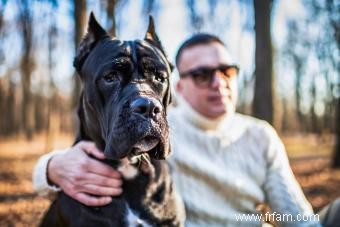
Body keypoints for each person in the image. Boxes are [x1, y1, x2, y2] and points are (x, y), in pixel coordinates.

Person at [34, 34, 331, 226]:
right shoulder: (158, 125)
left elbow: (297, 219)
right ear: (179, 86)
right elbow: (98, 137)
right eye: (202, 74)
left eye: (227, 71)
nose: (218, 82)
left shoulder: (261, 134)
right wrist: (51, 167)